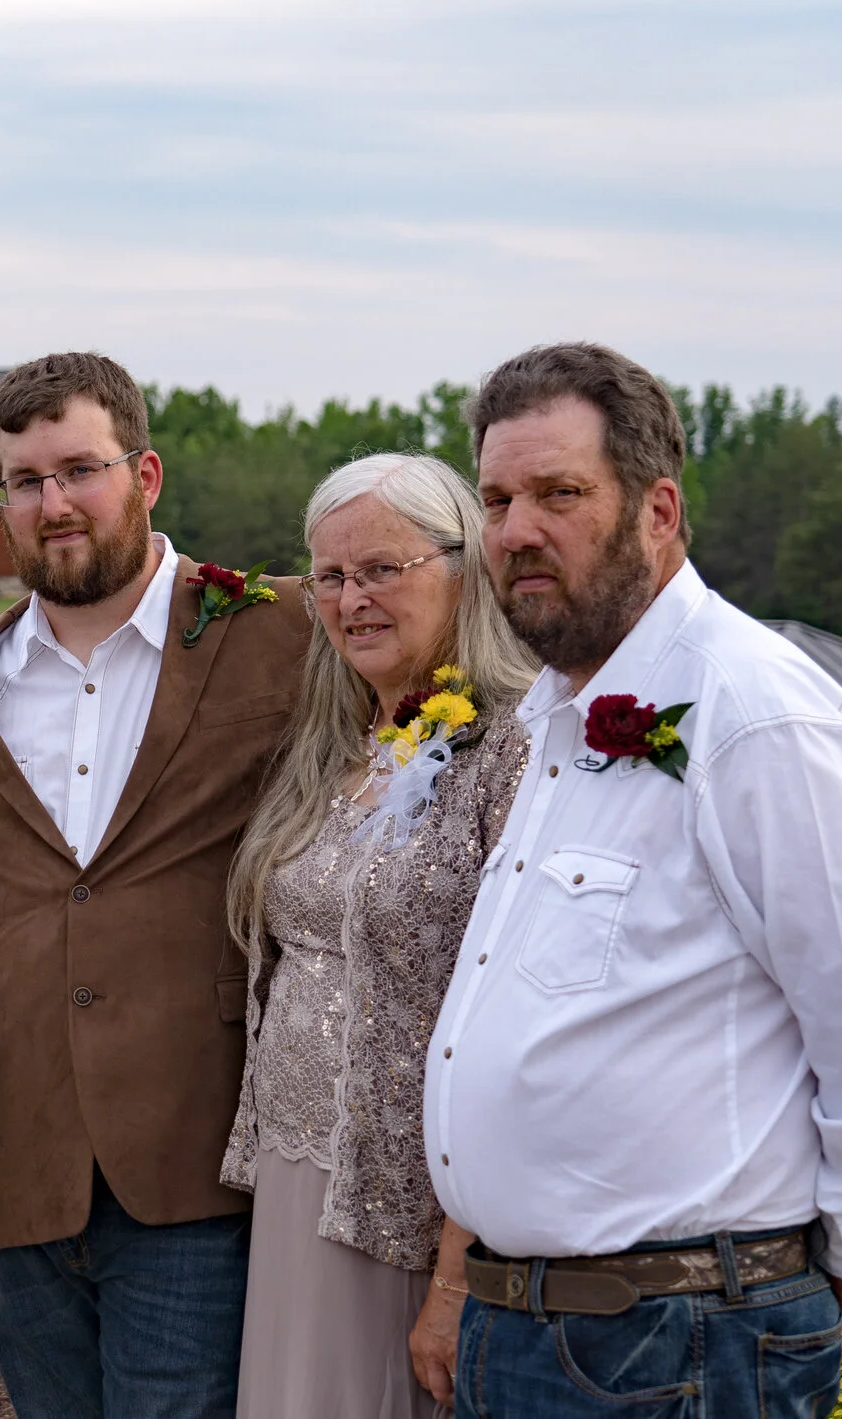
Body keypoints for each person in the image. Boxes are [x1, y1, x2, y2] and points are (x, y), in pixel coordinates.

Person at [427, 343, 842, 1415]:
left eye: (559, 493)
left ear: (657, 510)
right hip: (532, 1331)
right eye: (495, 498)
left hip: (678, 1346)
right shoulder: (559, 714)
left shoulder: (753, 711)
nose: (516, 528)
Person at [0, 352, 313, 1419]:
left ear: (147, 473)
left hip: (197, 1158)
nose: (54, 502)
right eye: (23, 480)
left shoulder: (284, 636)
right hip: (20, 1167)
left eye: (80, 468)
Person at [219, 452, 535, 1417]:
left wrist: (454, 1276)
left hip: (412, 1208)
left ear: (465, 567)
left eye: (381, 569)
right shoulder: (331, 742)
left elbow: (514, 1023)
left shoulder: (516, 749)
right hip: (292, 1176)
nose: (352, 598)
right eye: (331, 576)